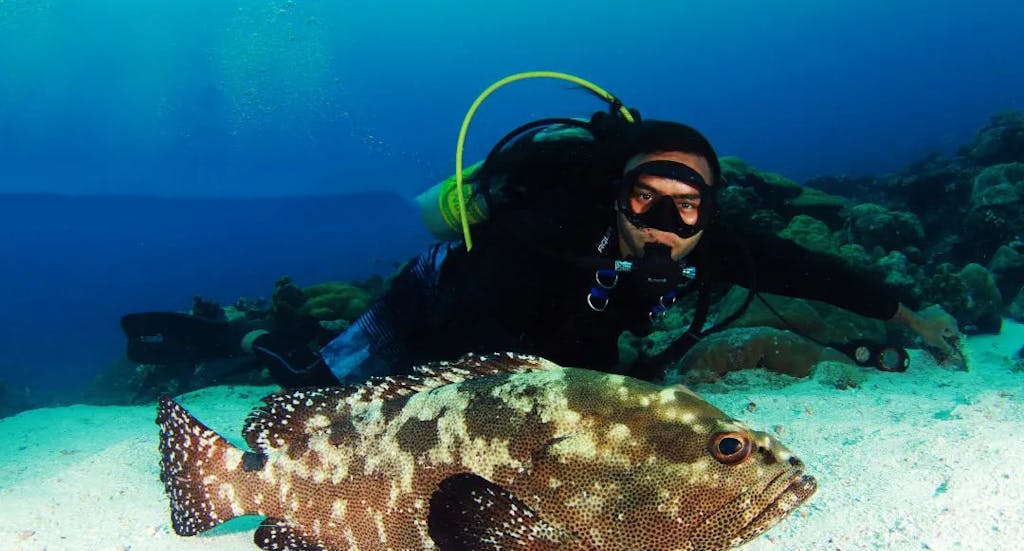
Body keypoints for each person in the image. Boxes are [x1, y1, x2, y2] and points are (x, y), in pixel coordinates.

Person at [123, 109, 963, 387]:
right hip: (441, 310)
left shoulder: (715, 240)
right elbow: (487, 357)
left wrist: (910, 312)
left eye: (687, 206)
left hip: (563, 340)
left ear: (710, 209)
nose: (666, 225)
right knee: (312, 386)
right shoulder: (544, 236)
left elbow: (812, 268)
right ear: (616, 195)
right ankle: (232, 339)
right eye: (646, 201)